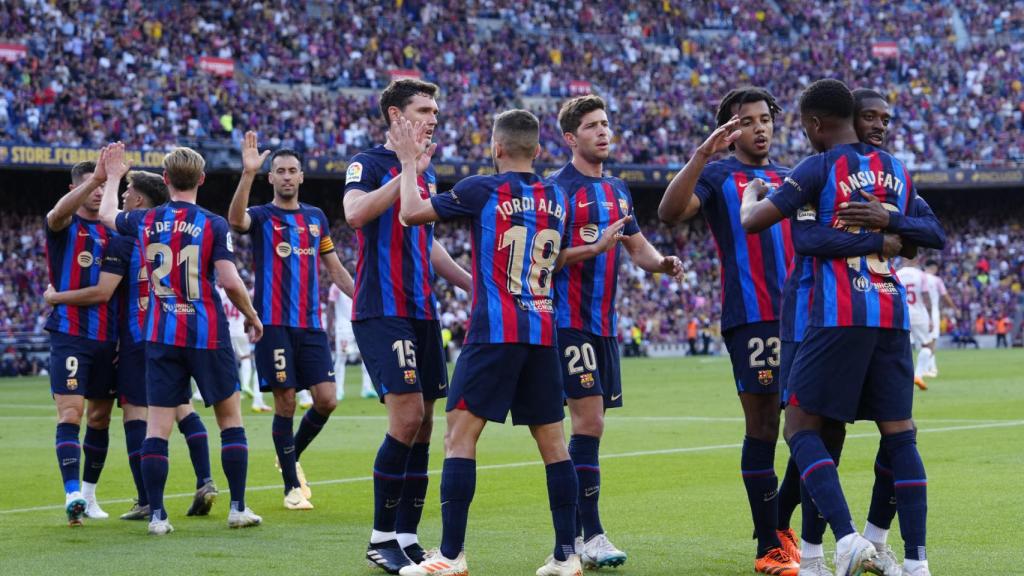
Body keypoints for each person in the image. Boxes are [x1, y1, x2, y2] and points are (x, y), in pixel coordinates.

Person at [740, 78, 942, 576]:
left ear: (814, 124)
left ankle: (848, 539)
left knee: (806, 430)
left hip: (833, 314)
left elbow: (796, 236)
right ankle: (912, 561)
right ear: (855, 117)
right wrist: (889, 235)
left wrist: (750, 198)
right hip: (889, 312)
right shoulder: (896, 170)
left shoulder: (818, 166)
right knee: (900, 435)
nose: (879, 126)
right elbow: (932, 232)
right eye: (873, 117)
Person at [394, 110, 581, 576]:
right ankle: (567, 555)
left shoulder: (482, 188)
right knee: (555, 445)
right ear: (538, 151)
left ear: (496, 148)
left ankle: (452, 555)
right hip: (542, 329)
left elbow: (410, 214)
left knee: (459, 436)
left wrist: (407, 164)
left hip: (495, 331)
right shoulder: (557, 196)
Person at [657, 87, 800, 575]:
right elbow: (670, 213)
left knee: (816, 425)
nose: (760, 128)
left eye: (765, 119)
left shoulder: (790, 176)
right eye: (748, 121)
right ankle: (769, 545)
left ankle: (778, 523)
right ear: (730, 130)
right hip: (754, 316)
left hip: (806, 318)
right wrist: (701, 154)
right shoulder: (718, 174)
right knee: (763, 427)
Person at [98, 142, 264, 535]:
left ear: (166, 179)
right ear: (202, 179)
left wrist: (113, 176)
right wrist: (252, 315)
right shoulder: (212, 223)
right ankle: (238, 507)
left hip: (159, 334)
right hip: (206, 334)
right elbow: (228, 280)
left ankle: (157, 516)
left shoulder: (145, 219)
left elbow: (107, 214)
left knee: (157, 429)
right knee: (230, 421)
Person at [343, 79, 472, 572]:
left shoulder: (428, 169)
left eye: (436, 109)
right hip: (382, 306)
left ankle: (406, 536)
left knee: (425, 423)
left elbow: (428, 240)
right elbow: (354, 214)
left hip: (422, 310)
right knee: (406, 417)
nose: (433, 116)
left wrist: (468, 285)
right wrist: (404, 168)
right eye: (423, 109)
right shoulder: (368, 162)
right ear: (396, 115)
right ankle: (380, 537)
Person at [549, 94, 683, 569]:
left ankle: (575, 537)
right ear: (571, 138)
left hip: (603, 326)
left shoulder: (619, 190)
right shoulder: (556, 191)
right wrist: (594, 248)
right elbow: (544, 260)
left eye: (606, 124)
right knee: (589, 425)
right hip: (567, 321)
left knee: (590, 428)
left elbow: (637, 246)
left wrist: (661, 265)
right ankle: (591, 534)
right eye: (592, 126)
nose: (603, 131)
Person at [45, 169, 220, 521]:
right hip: (174, 330)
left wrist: (55, 297)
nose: (118, 195)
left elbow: (105, 291)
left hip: (134, 337)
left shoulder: (123, 236)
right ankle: (205, 479)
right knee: (180, 407)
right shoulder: (173, 233)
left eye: (125, 190)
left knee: (137, 417)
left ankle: (148, 501)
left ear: (138, 200)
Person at [227, 131, 355, 511]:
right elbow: (236, 220)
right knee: (284, 402)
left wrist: (363, 300)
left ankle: (290, 454)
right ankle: (290, 488)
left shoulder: (316, 219)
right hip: (274, 324)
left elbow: (335, 269)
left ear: (301, 177)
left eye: (291, 171)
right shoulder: (263, 216)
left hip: (311, 326)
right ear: (271, 178)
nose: (285, 176)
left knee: (327, 401)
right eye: (279, 170)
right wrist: (247, 174)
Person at [44, 156, 119, 526]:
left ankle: (89, 495)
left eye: (104, 185)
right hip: (70, 333)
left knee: (101, 418)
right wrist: (96, 180)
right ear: (76, 188)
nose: (100, 190)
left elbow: (111, 293)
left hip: (108, 336)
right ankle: (72, 491)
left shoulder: (115, 232)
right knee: (71, 412)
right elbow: (54, 214)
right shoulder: (64, 224)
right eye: (92, 184)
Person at [218, 282, 272, 413]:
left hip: (225, 329)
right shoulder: (241, 293)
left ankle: (230, 388)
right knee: (247, 358)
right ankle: (246, 385)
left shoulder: (220, 293)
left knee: (226, 362)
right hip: (240, 330)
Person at [328, 281, 378, 400]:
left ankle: (367, 388)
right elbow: (330, 306)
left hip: (360, 326)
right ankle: (338, 390)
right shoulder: (337, 285)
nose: (353, 264)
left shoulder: (360, 281)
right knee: (342, 358)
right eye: (350, 262)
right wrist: (330, 327)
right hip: (344, 328)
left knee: (366, 356)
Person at [896, 259, 933, 391]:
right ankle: (917, 375)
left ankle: (901, 377)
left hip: (902, 313)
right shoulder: (920, 275)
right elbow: (925, 296)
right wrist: (930, 317)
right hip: (919, 314)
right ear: (916, 259)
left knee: (903, 346)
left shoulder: (897, 273)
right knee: (927, 346)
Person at [922, 260, 955, 375]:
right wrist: (954, 308)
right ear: (934, 268)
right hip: (932, 311)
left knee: (923, 341)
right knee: (933, 339)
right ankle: (928, 368)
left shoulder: (919, 277)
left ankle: (931, 366)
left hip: (919, 311)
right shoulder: (936, 280)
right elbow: (944, 296)